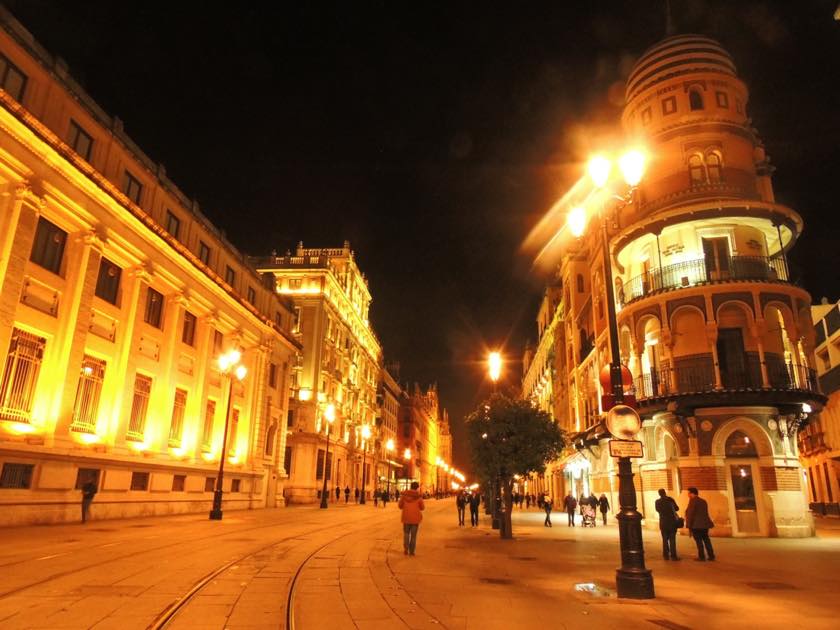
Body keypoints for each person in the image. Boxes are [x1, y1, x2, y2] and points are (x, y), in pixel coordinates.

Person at [685, 487, 715, 561]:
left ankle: (701, 557)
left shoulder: (693, 501)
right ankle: (711, 555)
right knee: (706, 539)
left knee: (699, 541)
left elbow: (690, 514)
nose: (688, 495)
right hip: (705, 524)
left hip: (696, 525)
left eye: (688, 493)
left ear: (692, 493)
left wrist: (689, 526)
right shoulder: (703, 501)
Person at [399, 481, 425, 556]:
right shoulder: (418, 496)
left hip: (406, 517)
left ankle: (406, 549)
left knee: (406, 534)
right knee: (413, 536)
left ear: (410, 486)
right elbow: (422, 508)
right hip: (415, 519)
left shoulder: (404, 495)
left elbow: (400, 506)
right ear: (417, 488)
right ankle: (412, 551)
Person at [655, 488, 681, 561]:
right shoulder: (670, 500)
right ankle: (673, 556)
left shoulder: (657, 502)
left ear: (659, 494)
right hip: (672, 522)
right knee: (672, 539)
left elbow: (657, 510)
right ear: (665, 493)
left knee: (665, 539)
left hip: (663, 522)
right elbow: (676, 508)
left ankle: (666, 555)